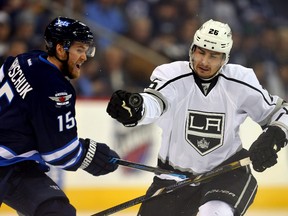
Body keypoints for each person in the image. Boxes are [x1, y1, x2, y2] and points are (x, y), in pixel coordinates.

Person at [106, 19, 288, 216]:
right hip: (172, 178)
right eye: (200, 51)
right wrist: (137, 108)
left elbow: (281, 112)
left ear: (224, 59)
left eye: (213, 56)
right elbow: (155, 102)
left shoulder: (240, 82)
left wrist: (275, 136)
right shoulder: (171, 75)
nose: (204, 61)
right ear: (192, 49)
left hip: (227, 174)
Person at [0, 16, 120, 216]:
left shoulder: (26, 59)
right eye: (80, 50)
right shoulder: (56, 89)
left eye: (87, 50)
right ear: (60, 49)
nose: (85, 57)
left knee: (56, 211)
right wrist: (92, 156)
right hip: (9, 162)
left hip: (15, 165)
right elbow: (58, 153)